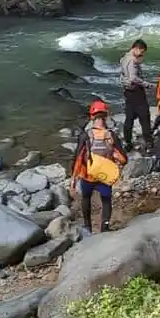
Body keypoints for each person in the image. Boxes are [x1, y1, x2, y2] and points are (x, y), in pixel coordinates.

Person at [70, 100, 129, 233]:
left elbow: (78, 158)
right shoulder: (111, 135)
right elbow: (124, 159)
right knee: (106, 201)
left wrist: (73, 180)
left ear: (91, 117)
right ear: (106, 116)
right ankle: (105, 227)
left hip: (88, 175)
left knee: (86, 199)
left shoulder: (85, 135)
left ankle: (87, 227)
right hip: (104, 176)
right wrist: (113, 154)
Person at [119, 39, 154, 153]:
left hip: (128, 92)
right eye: (142, 52)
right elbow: (133, 78)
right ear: (136, 48)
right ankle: (149, 143)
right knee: (145, 117)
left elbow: (123, 75)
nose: (142, 54)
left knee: (129, 118)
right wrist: (147, 85)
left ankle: (127, 142)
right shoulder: (133, 61)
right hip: (136, 92)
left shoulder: (124, 58)